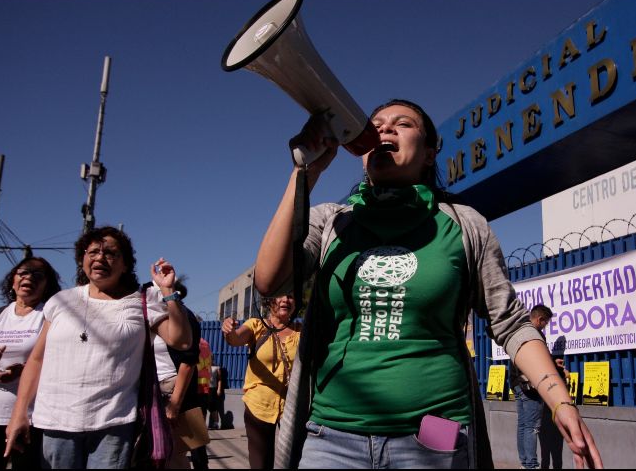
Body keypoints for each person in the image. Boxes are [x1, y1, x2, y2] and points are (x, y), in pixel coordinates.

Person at [254, 99, 603, 469]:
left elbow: (511, 323)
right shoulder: (331, 222)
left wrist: (561, 402)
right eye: (376, 125)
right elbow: (270, 280)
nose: (385, 129)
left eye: (402, 124)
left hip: (435, 435)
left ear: (429, 153)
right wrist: (303, 173)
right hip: (331, 438)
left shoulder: (464, 224)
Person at [4, 226, 192, 469]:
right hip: (56, 422)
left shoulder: (141, 301)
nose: (100, 258)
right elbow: (37, 360)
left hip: (114, 425)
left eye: (111, 253)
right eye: (92, 252)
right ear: (82, 258)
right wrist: (20, 412)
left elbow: (182, 340)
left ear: (125, 265)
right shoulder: (61, 301)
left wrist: (168, 291)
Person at [0, 257, 61, 469]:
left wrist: (23, 371)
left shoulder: (49, 316)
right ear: (13, 280)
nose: (29, 278)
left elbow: (56, 360)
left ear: (47, 285)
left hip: (30, 416)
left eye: (37, 275)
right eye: (23, 272)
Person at [221, 293, 301, 469]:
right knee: (261, 463)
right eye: (281, 296)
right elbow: (235, 339)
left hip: (292, 407)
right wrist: (229, 330)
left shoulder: (301, 332)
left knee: (294, 461)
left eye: (291, 296)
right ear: (270, 300)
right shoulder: (256, 325)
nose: (286, 300)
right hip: (259, 405)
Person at [154, 280, 202, 469]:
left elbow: (188, 361)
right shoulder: (155, 316)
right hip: (154, 389)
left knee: (175, 456)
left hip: (173, 390)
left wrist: (174, 404)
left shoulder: (183, 316)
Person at [509, 304, 553, 469]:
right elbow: (537, 362)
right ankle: (531, 465)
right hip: (530, 386)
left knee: (522, 425)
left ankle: (524, 463)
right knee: (532, 427)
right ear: (540, 319)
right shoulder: (534, 335)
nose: (545, 326)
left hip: (517, 383)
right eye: (545, 323)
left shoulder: (517, 331)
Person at [539, 356, 571, 469]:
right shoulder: (558, 382)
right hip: (553, 420)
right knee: (553, 456)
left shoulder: (544, 380)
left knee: (548, 456)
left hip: (549, 419)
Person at [190, 335, 212, 469]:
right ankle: (202, 464)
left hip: (191, 390)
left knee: (193, 434)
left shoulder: (191, 342)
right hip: (203, 390)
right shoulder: (205, 343)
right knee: (197, 434)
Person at [208, 363, 223, 430]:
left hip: (212, 389)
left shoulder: (216, 367)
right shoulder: (201, 367)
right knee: (203, 406)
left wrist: (219, 389)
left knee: (212, 406)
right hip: (203, 388)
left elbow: (219, 379)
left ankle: (216, 423)